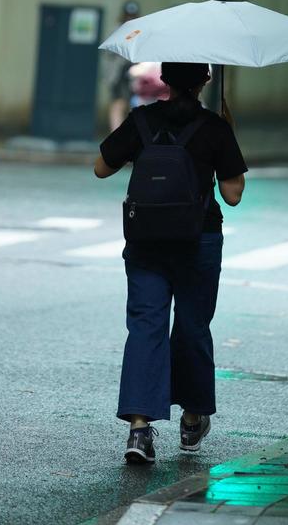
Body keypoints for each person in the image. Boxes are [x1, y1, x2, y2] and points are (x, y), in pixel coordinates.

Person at [94, 62, 247, 464]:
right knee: (193, 327)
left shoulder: (142, 120)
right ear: (205, 80)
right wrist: (224, 139)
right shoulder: (215, 127)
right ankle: (192, 419)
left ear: (163, 79)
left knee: (146, 326)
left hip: (145, 240)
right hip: (199, 241)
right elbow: (232, 195)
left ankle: (139, 430)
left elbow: (101, 168)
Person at [104, 0, 141, 131]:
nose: (130, 18)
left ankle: (133, 135)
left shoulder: (140, 30)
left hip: (136, 72)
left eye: (133, 15)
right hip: (118, 73)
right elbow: (109, 53)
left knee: (136, 104)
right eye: (128, 15)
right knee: (118, 103)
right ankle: (116, 136)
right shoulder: (116, 30)